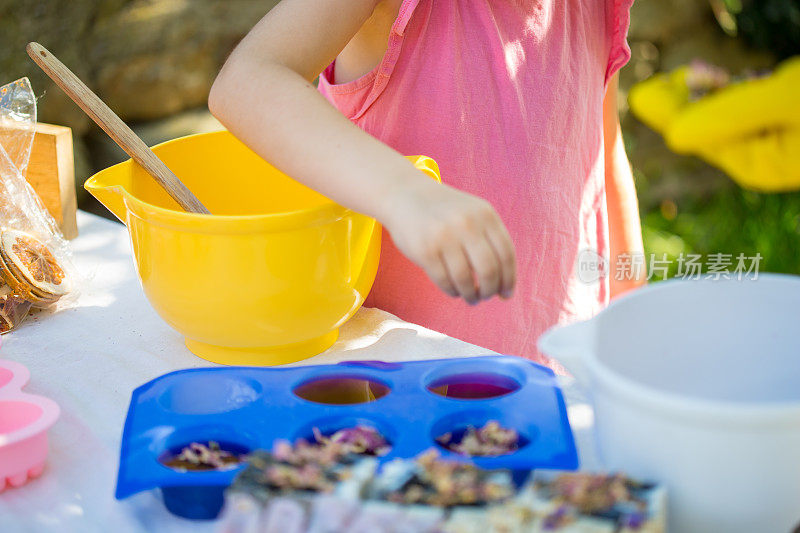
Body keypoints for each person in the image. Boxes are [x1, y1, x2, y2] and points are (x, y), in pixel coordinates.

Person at [209, 0, 645, 364]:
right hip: (395, 385)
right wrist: (404, 191)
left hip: (556, 359)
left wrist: (631, 308)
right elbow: (248, 80)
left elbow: (601, 150)